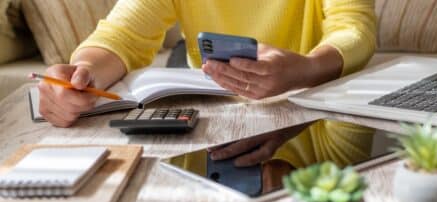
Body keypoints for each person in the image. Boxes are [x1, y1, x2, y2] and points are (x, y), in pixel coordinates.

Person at [38, 0, 376, 127]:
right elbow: (122, 35)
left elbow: (354, 27)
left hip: (311, 108)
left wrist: (307, 67)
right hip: (215, 113)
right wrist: (81, 73)